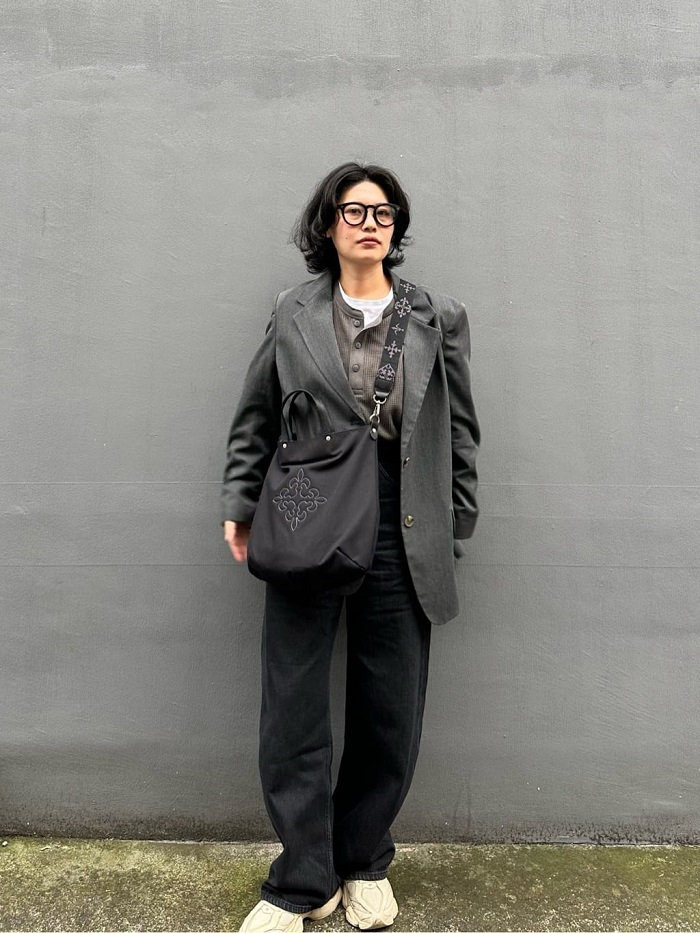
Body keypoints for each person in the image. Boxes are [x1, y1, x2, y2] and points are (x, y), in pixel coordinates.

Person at [221, 162, 480, 932]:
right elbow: (257, 415)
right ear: (328, 223)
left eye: (384, 211)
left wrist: (456, 521)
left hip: (405, 516)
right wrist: (240, 503)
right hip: (310, 509)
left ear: (396, 227)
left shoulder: (438, 316)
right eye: (355, 210)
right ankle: (303, 879)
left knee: (389, 708)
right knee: (292, 709)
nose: (371, 222)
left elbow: (461, 430)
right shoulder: (293, 310)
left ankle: (364, 860)